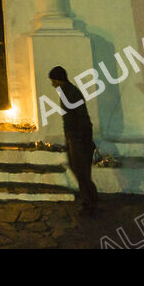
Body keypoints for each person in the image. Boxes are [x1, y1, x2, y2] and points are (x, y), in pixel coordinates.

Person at [49, 66, 98, 215]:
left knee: (81, 170)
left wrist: (79, 139)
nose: (52, 84)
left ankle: (89, 202)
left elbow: (80, 116)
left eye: (53, 80)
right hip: (75, 136)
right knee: (78, 168)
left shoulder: (71, 93)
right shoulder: (66, 91)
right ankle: (91, 198)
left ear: (59, 79)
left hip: (78, 137)